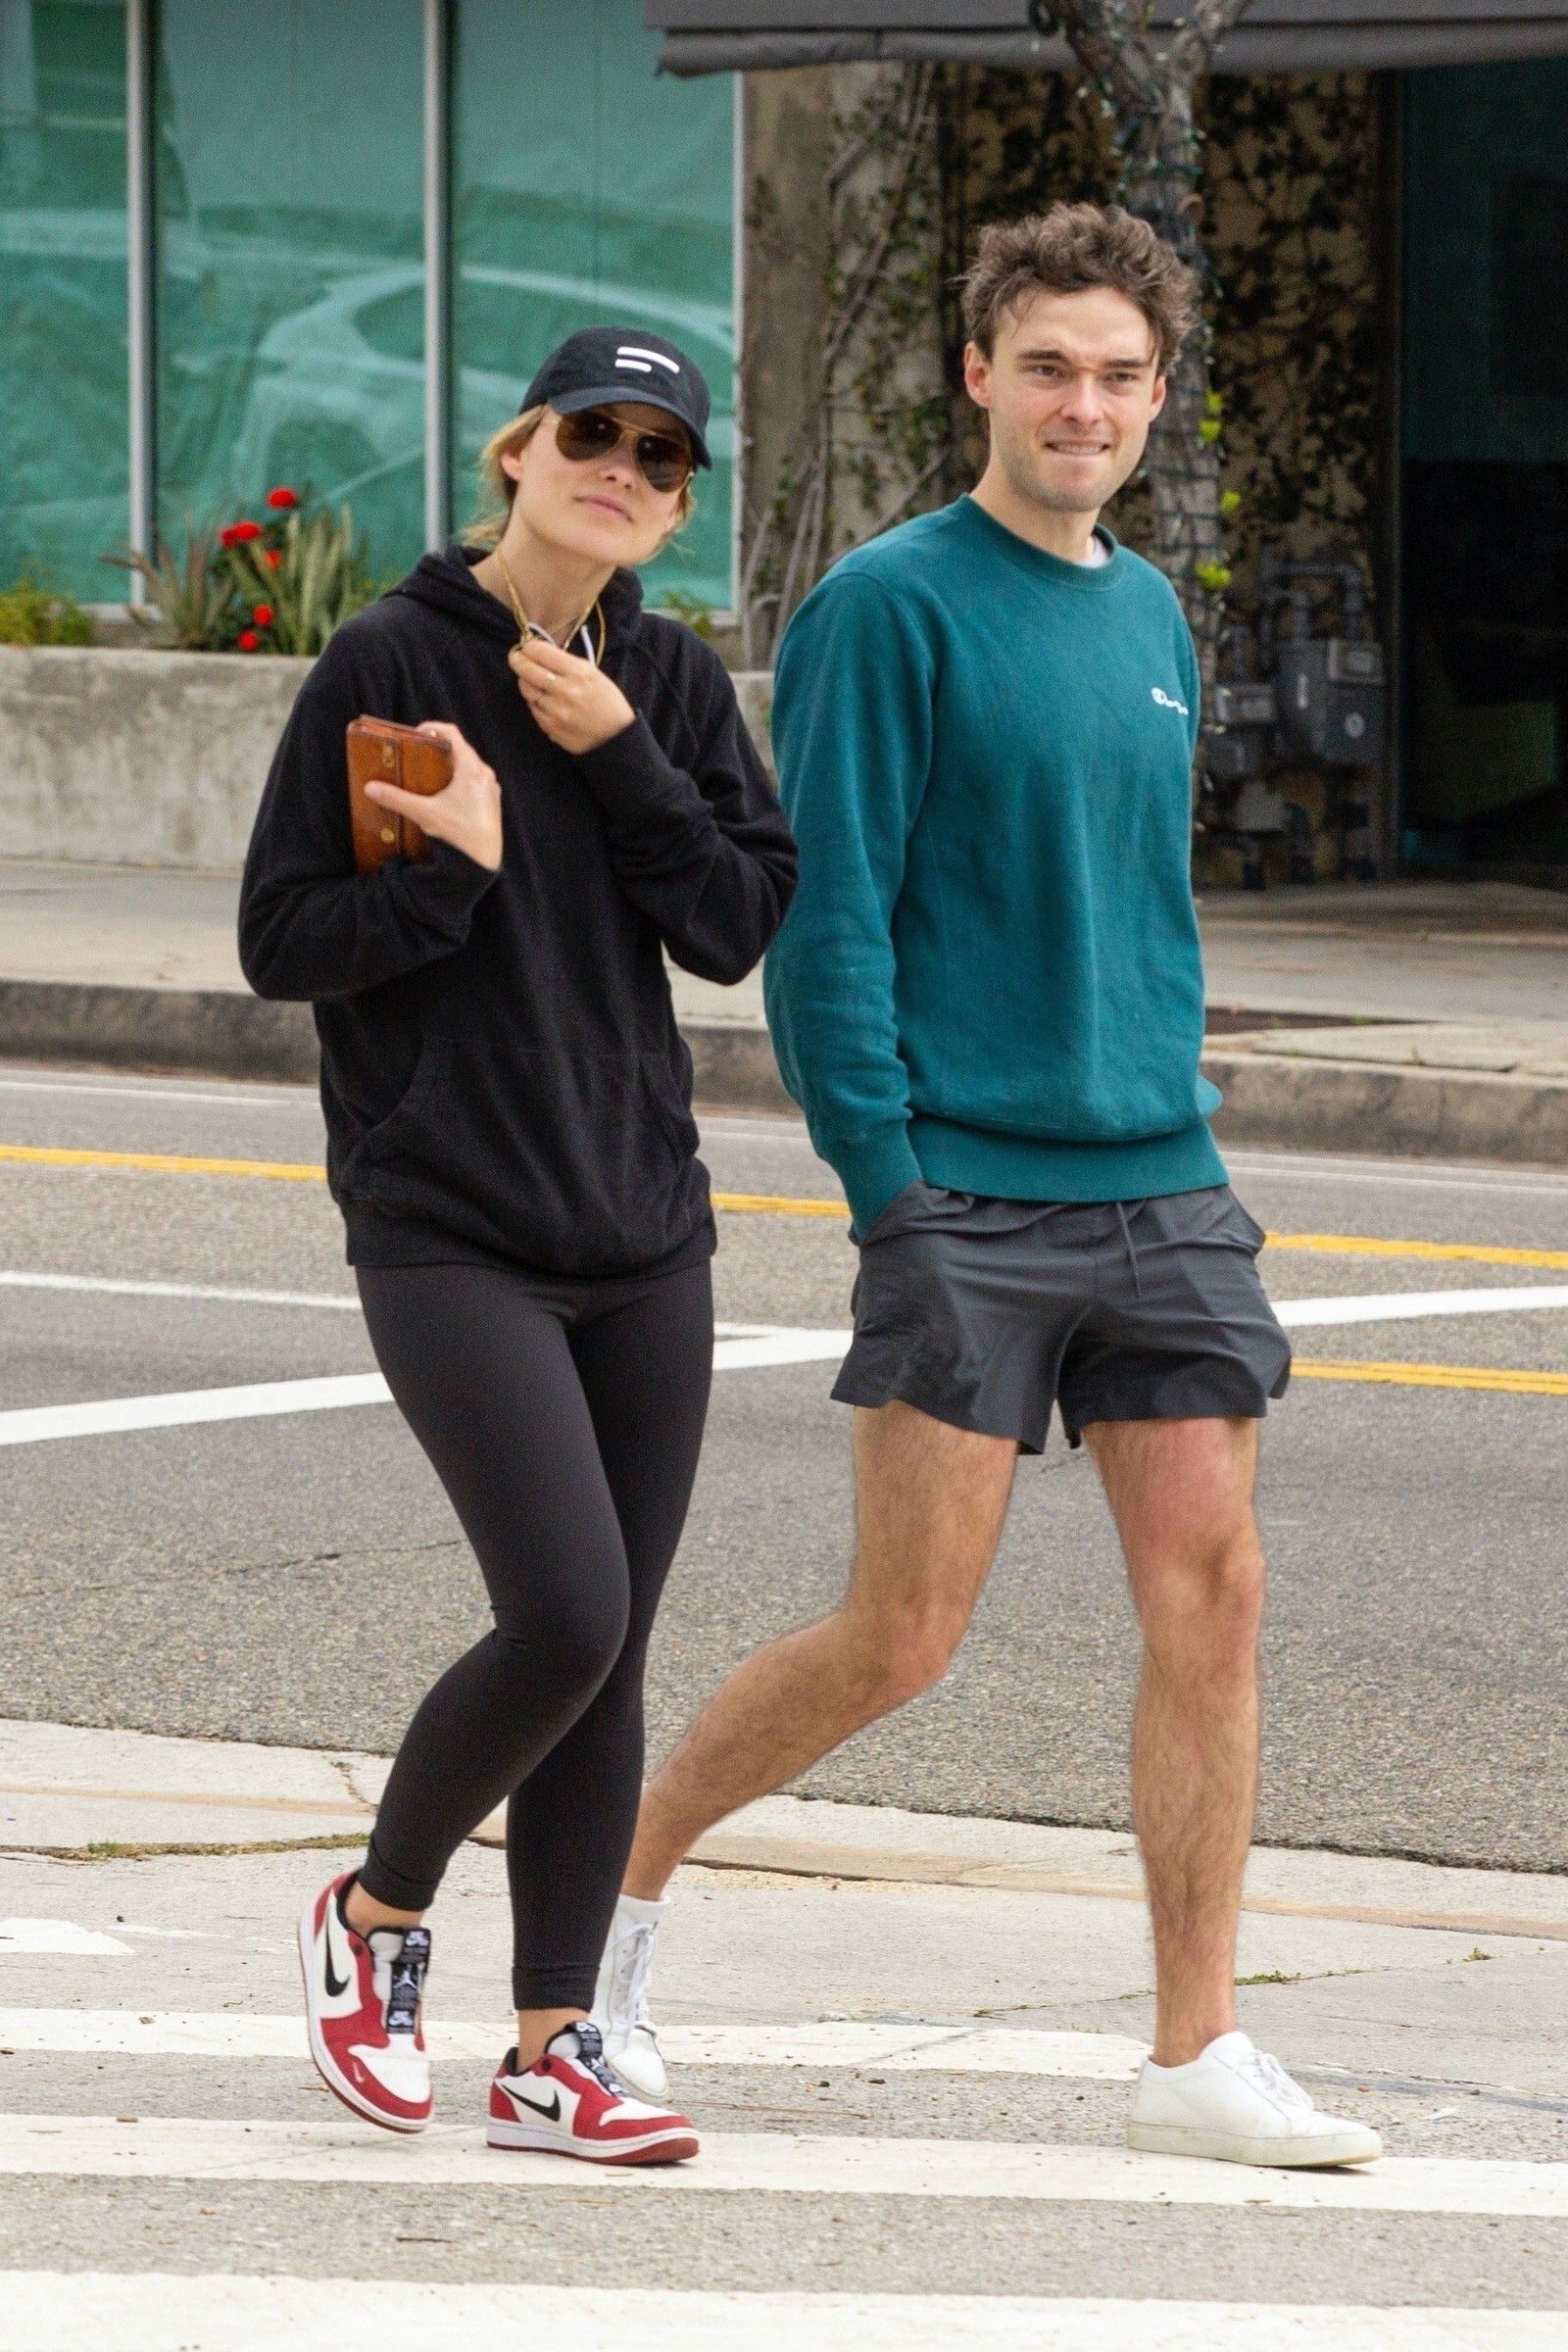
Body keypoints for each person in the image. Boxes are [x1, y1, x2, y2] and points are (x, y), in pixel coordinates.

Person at [591, 210, 1381, 2172]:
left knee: (1215, 1596)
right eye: (1046, 368)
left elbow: (1140, 895)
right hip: (965, 1191)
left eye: (1115, 374)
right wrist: (890, 1183)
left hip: (1160, 1177)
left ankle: (1194, 2049)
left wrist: (1176, 1095)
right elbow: (829, 915)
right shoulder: (886, 607)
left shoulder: (1148, 612)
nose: (1079, 405)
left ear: (1155, 394)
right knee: (900, 1637)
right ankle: (601, 1910)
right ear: (980, 378)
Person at [238, 326, 797, 2166]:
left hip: (641, 1224)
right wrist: (454, 877)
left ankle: (556, 2046)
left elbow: (734, 923)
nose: (620, 467)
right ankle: (376, 1915)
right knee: (564, 1608)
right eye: (592, 434)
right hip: (448, 1219)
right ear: (520, 450)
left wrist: (624, 755)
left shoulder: (670, 681)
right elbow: (279, 940)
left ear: (679, 505)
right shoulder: (389, 659)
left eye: (659, 454)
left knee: (609, 1652)